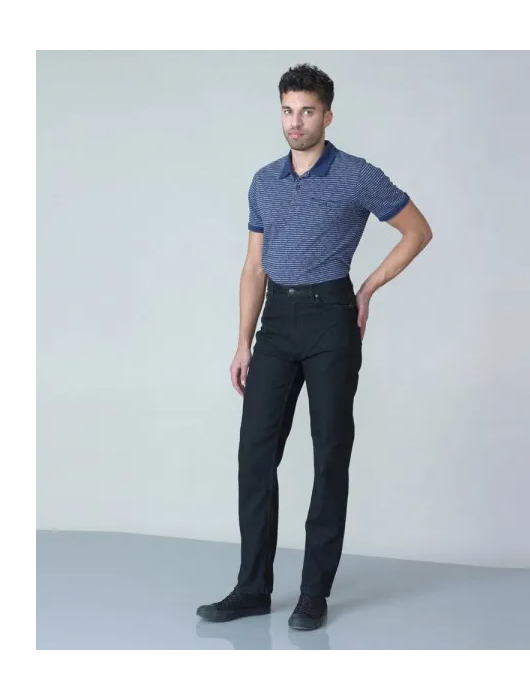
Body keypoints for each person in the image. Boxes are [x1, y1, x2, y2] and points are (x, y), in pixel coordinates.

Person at [197, 63, 433, 631]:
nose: (295, 122)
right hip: (276, 324)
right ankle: (252, 588)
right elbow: (253, 267)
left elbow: (417, 230)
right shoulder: (264, 181)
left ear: (327, 116)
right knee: (255, 456)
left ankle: (313, 594)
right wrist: (243, 342)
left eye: (306, 111)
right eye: (287, 110)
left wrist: (367, 289)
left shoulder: (356, 175)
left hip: (331, 319)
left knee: (329, 455)